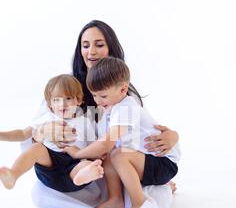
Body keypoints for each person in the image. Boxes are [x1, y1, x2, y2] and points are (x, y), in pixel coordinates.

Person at [32, 20, 179, 160]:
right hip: (65, 165)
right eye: (85, 46)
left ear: (111, 49)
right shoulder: (66, 86)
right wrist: (43, 130)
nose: (91, 52)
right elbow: (31, 136)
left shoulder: (124, 93)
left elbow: (140, 134)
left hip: (106, 169)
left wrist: (173, 137)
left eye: (99, 45)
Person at [61, 57, 181, 208]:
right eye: (94, 95)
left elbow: (106, 143)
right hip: (145, 161)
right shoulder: (111, 110)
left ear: (123, 90)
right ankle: (115, 199)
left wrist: (77, 153)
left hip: (164, 163)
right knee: (111, 154)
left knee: (117, 153)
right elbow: (102, 143)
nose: (98, 101)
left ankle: (139, 203)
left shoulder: (127, 107)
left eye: (103, 96)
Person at [0, 75, 104, 192]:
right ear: (50, 103)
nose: (62, 104)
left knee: (87, 163)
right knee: (36, 147)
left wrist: (90, 157)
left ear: (78, 100)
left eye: (68, 98)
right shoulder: (46, 118)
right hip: (50, 167)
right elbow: (23, 134)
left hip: (75, 164)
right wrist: (0, 135)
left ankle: (81, 176)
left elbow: (93, 148)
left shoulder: (84, 122)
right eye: (56, 100)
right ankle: (13, 174)